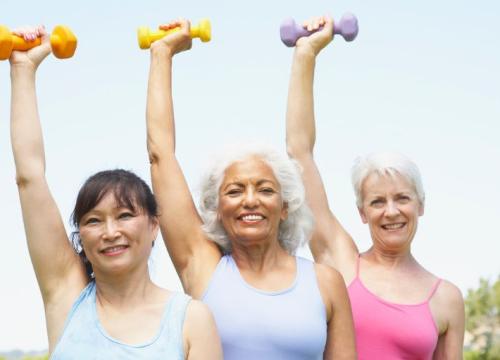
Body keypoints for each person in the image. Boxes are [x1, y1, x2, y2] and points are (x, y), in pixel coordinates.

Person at [145, 19, 357, 359]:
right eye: (234, 191)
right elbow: (160, 157)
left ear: (285, 206)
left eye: (265, 190)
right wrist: (162, 54)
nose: (250, 201)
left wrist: (306, 53)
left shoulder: (326, 283)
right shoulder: (203, 267)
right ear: (216, 208)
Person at [9, 26, 222, 359]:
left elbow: (160, 152)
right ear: (81, 234)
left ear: (154, 226)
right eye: (94, 221)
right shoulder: (67, 296)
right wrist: (23, 69)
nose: (111, 232)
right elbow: (29, 178)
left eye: (125, 215)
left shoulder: (191, 319)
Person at [285, 15, 465, 359]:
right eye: (378, 201)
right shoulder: (340, 261)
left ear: (421, 205)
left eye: (402, 198)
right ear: (362, 213)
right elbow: (299, 153)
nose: (392, 211)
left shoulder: (447, 298)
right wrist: (305, 55)